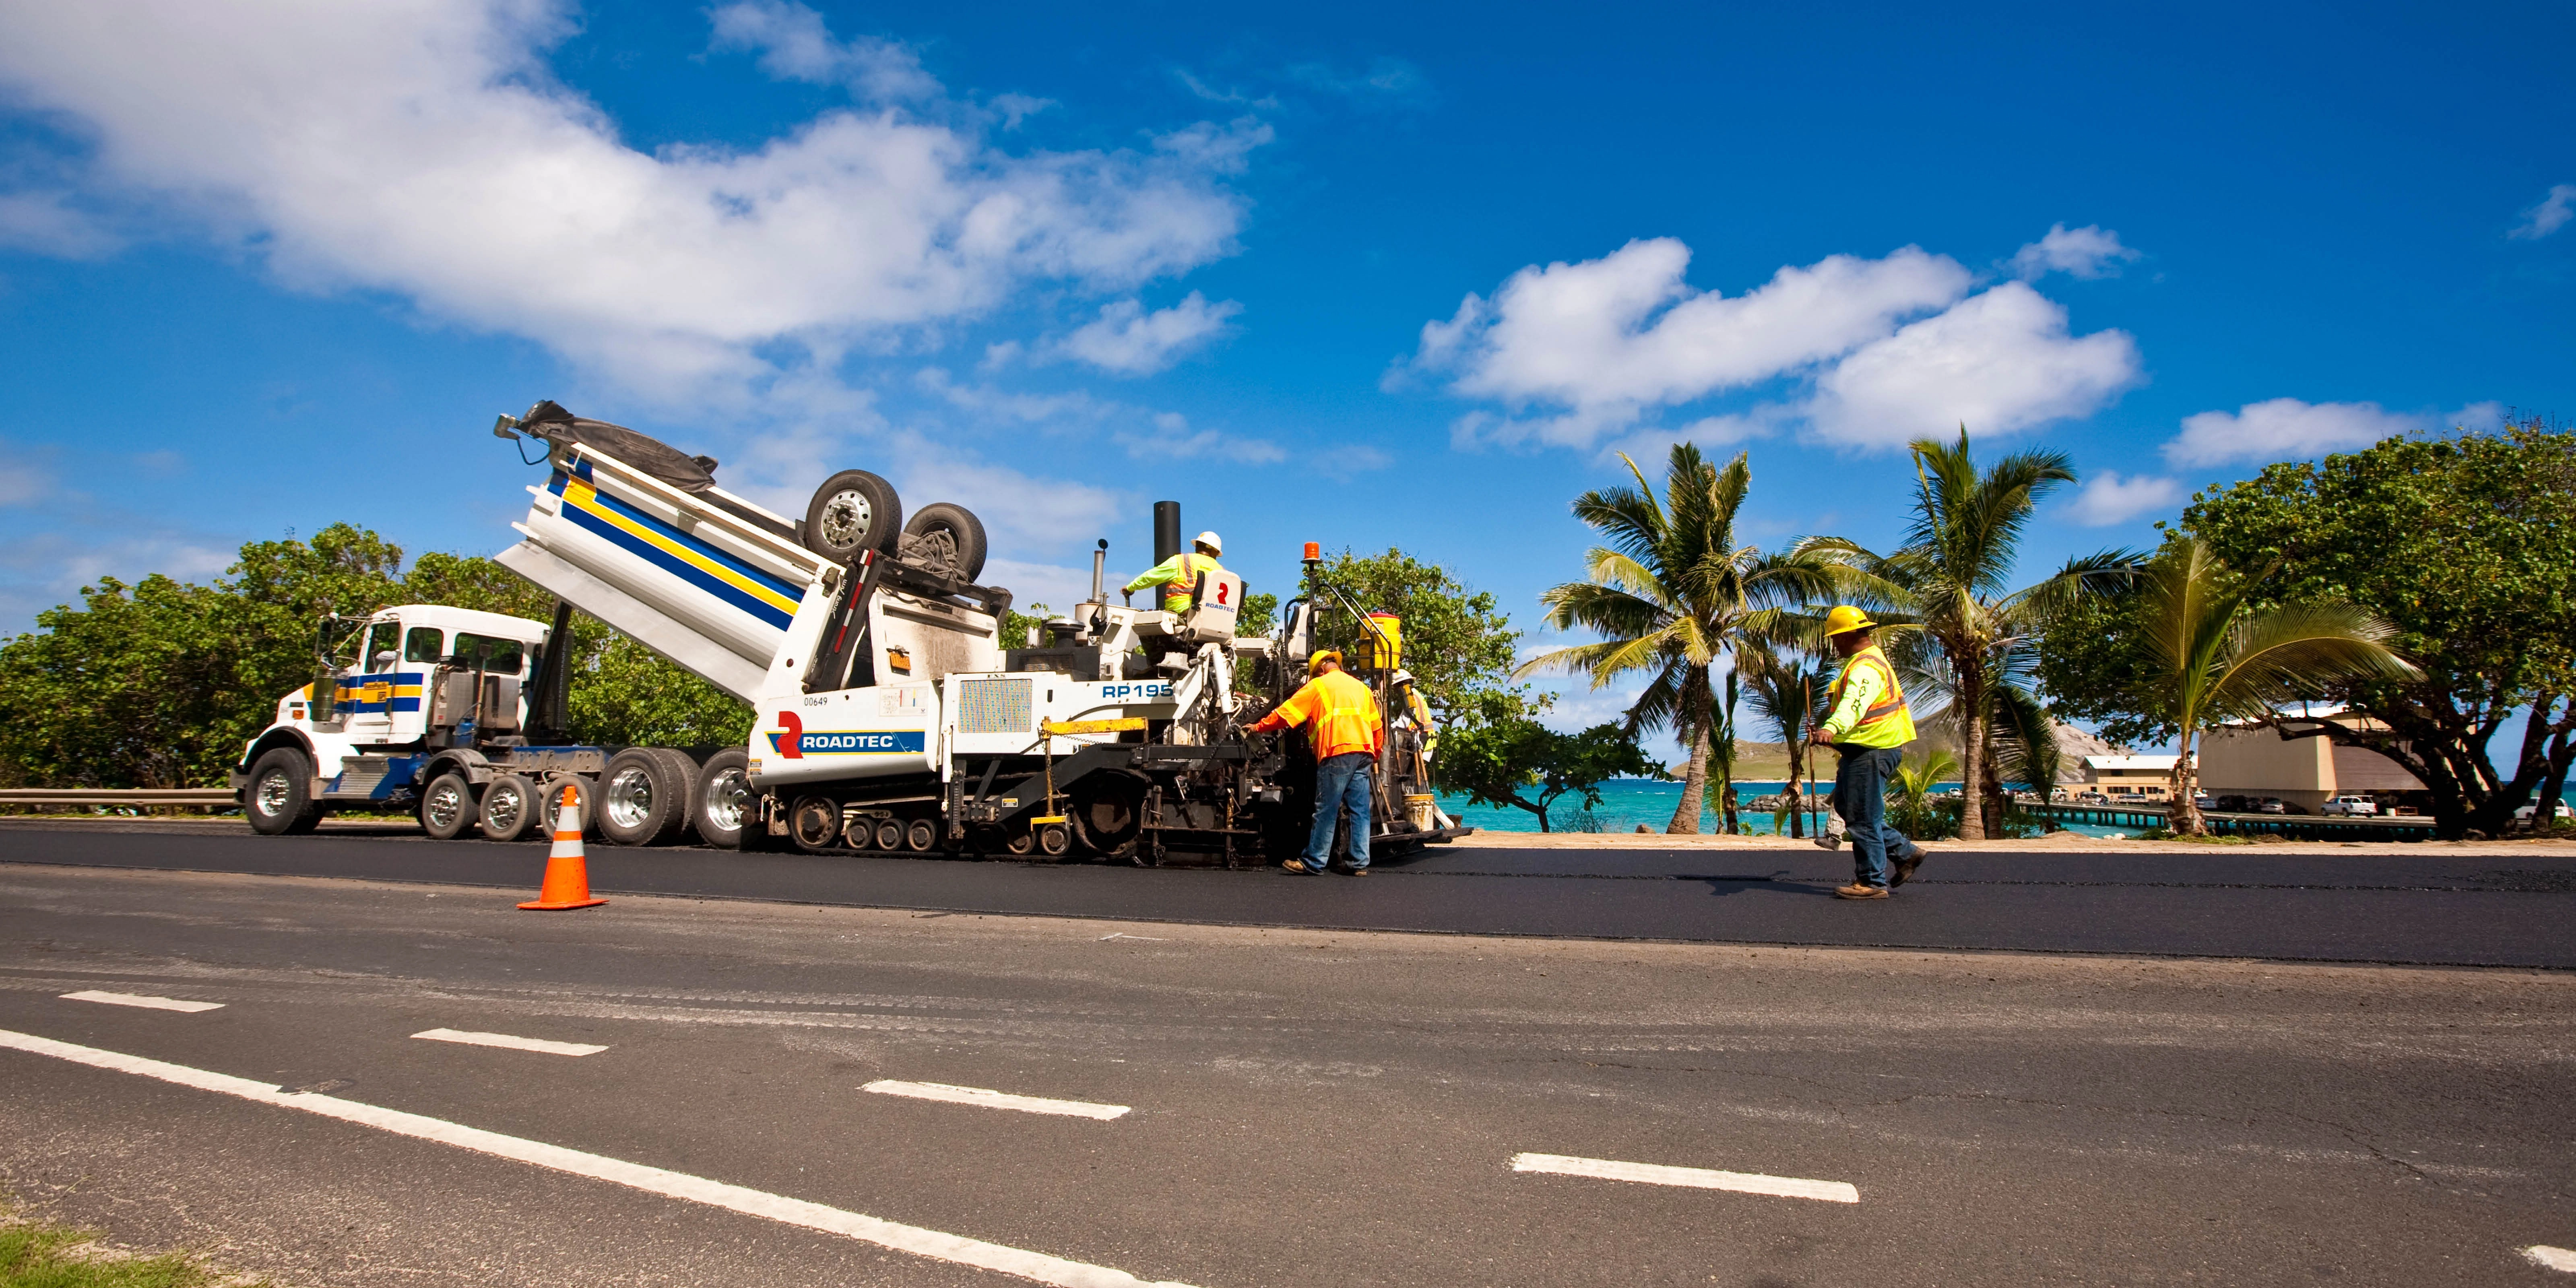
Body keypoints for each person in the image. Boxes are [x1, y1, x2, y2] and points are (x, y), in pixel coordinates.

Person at [1807, 606, 1928, 899]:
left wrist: (1831, 727)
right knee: (1848, 808)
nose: (1834, 645)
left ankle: (1872, 882)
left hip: (1873, 751)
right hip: (1864, 748)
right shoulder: (1865, 662)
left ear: (1846, 636)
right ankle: (1904, 852)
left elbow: (1854, 703)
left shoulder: (1865, 668)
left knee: (1862, 817)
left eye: (1835, 638)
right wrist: (1831, 736)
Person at [1242, 650, 1385, 875]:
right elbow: (1377, 727)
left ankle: (1314, 861)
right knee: (1359, 811)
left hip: (1337, 751)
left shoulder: (1317, 686)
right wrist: (1375, 753)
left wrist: (1258, 727)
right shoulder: (1361, 688)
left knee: (1326, 808)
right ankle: (1359, 863)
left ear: (1319, 671)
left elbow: (1285, 714)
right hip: (1363, 753)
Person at [1124, 530, 1228, 613]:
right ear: (1214, 551)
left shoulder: (1182, 561)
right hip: (1213, 617)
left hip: (1184, 613)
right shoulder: (1223, 571)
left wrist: (1131, 587)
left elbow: (1152, 577)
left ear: (1197, 546)